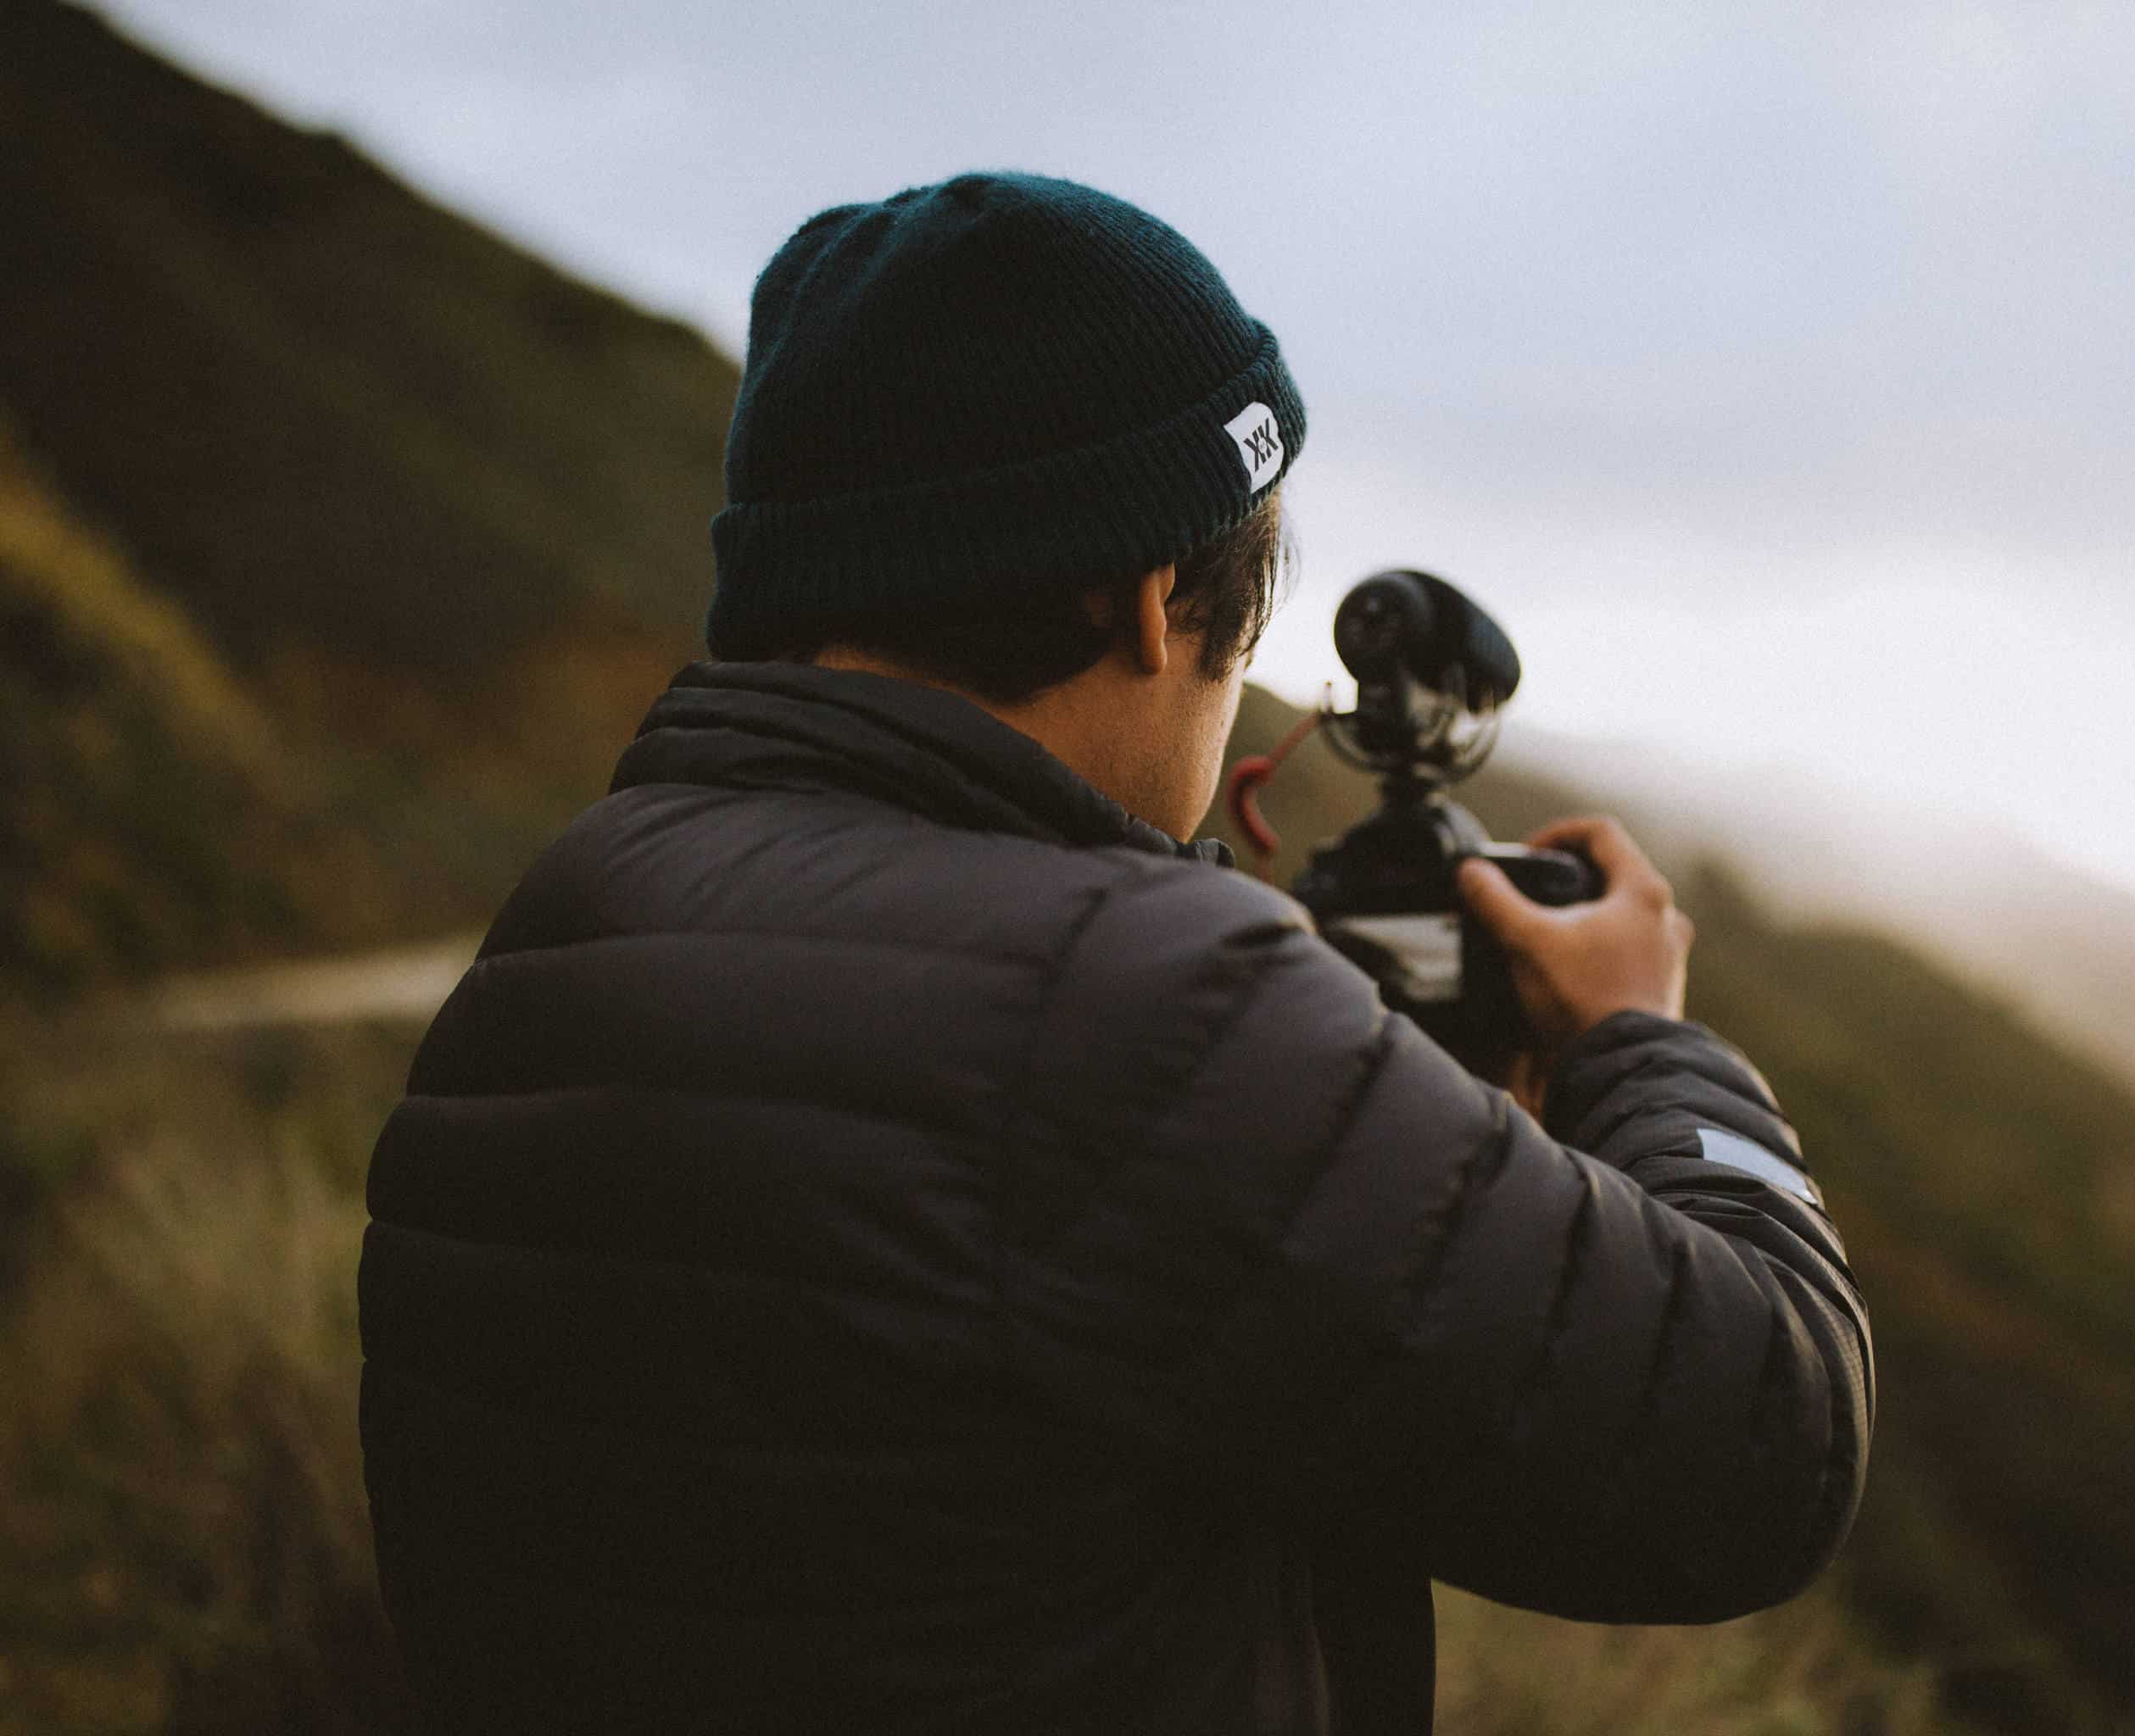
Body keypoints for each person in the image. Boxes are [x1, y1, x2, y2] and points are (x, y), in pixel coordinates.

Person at [358, 170, 1873, 1736]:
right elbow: (1767, 1438)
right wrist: (1648, 1046)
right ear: (1154, 602)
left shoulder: (567, 919)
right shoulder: (1128, 999)